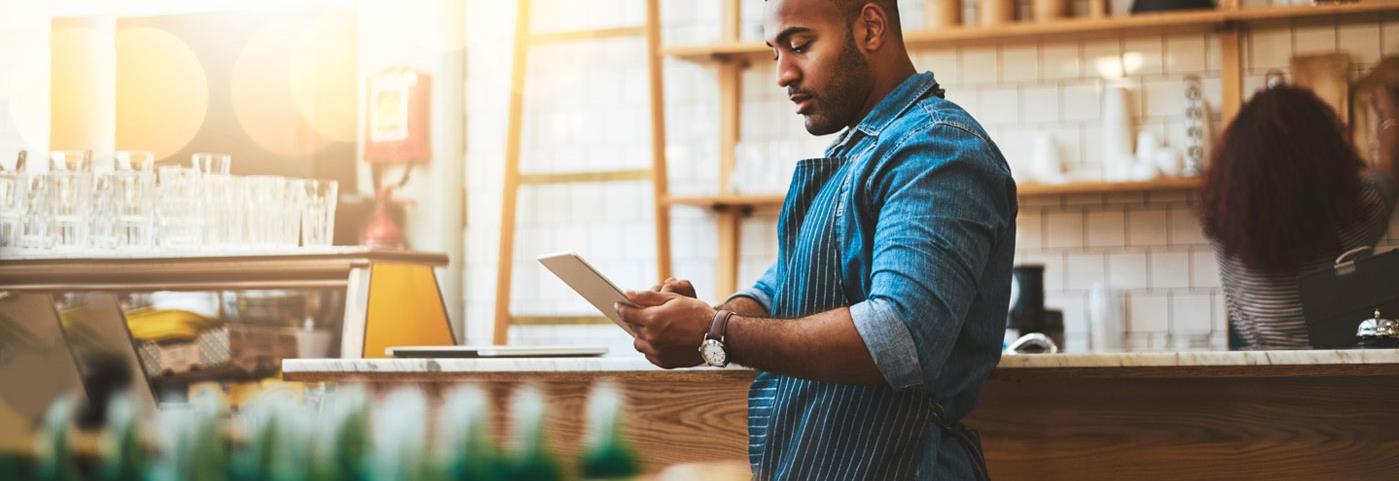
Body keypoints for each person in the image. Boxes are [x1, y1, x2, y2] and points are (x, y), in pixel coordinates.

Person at [612, 0, 1017, 479]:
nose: (783, 74)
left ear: (870, 28)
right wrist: (700, 320)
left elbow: (900, 336)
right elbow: (776, 293)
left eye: (800, 45)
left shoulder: (937, 149)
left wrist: (714, 331)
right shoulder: (858, 153)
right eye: (774, 53)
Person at [1200, 85, 1399, 349]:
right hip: (1341, 380)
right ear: (1326, 155)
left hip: (1259, 379)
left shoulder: (1224, 230)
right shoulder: (1359, 217)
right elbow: (1389, 166)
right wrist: (1389, 116)